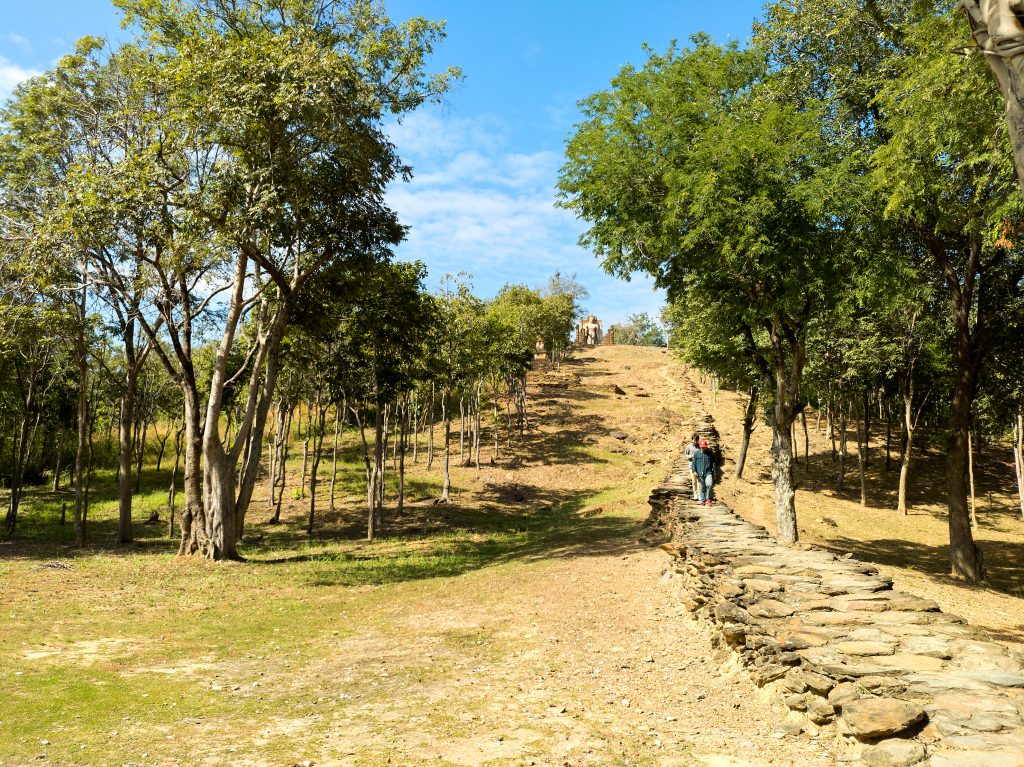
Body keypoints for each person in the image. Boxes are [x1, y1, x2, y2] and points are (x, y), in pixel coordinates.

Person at [691, 438, 716, 507]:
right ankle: (702, 501)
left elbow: (713, 463)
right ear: (700, 447)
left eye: (704, 447)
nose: (703, 448)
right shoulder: (696, 453)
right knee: (702, 487)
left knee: (709, 484)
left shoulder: (710, 453)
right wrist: (694, 471)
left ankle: (708, 499)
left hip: (708, 472)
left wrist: (714, 473)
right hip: (699, 473)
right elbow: (693, 463)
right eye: (702, 447)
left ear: (706, 446)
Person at [683, 434, 701, 501]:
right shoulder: (688, 447)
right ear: (692, 440)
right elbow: (685, 455)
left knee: (699, 481)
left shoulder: (699, 447)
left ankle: (699, 495)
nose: (695, 442)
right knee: (694, 481)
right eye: (694, 440)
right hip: (691, 466)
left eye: (696, 440)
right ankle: (695, 494)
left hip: (699, 466)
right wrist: (692, 456)